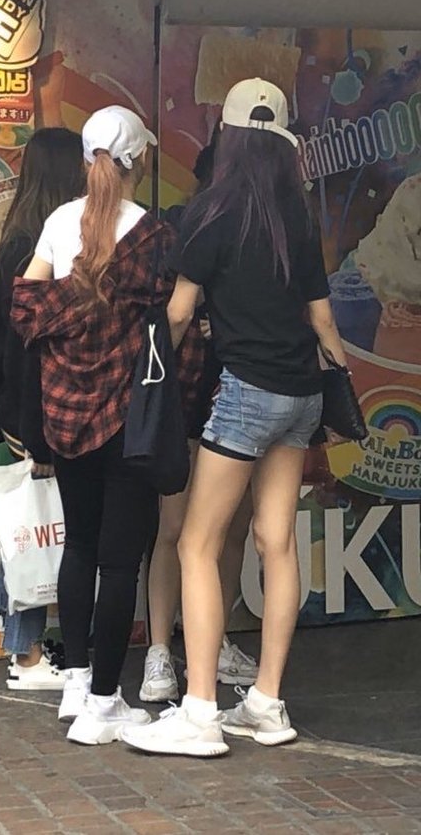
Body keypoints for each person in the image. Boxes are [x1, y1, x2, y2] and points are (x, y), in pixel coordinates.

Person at [122, 78, 349, 757]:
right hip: (301, 395)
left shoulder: (211, 213)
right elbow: (322, 321)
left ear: (227, 136)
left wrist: (149, 367)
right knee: (276, 543)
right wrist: (341, 388)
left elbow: (179, 313)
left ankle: (199, 712)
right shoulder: (296, 218)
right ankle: (267, 705)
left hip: (246, 394)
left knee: (195, 543)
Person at [11, 106, 203, 745]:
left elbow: (26, 304)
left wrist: (76, 313)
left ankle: (75, 683)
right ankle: (102, 704)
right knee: (121, 563)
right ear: (139, 160)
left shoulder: (58, 222)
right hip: (128, 418)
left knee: (81, 548)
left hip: (64, 414)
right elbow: (175, 320)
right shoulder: (154, 236)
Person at [140, 123, 257, 703]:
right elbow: (169, 313)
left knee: (231, 529)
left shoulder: (265, 228)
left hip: (241, 395)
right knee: (174, 530)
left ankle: (214, 642)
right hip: (188, 398)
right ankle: (160, 650)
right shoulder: (182, 229)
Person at [0, 127, 86, 690]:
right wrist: (35, 436)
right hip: (31, 412)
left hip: (17, 409)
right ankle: (25, 654)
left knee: (28, 530)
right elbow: (26, 351)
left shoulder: (19, 236)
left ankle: (23, 646)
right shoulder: (35, 248)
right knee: (34, 529)